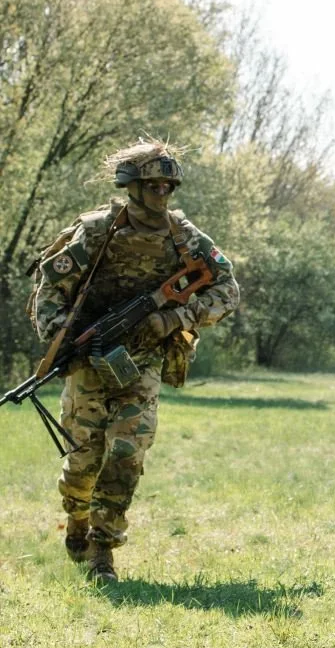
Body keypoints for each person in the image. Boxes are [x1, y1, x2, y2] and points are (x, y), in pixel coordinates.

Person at [30, 140, 240, 583]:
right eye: (152, 185)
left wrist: (176, 318)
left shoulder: (184, 237)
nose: (161, 194)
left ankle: (102, 553)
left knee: (127, 454)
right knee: (82, 464)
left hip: (143, 363)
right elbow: (49, 291)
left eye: (168, 186)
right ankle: (77, 516)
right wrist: (63, 339)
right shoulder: (96, 231)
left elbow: (227, 289)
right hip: (89, 362)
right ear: (131, 186)